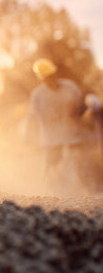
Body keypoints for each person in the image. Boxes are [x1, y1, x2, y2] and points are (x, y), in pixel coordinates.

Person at [27, 59, 99, 191]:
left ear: (55, 73)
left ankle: (86, 191)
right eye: (46, 77)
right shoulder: (37, 95)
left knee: (79, 163)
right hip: (51, 138)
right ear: (41, 79)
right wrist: (29, 136)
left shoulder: (70, 87)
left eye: (52, 75)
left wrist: (89, 107)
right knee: (51, 166)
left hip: (72, 134)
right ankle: (46, 191)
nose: (51, 79)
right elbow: (33, 117)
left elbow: (82, 108)